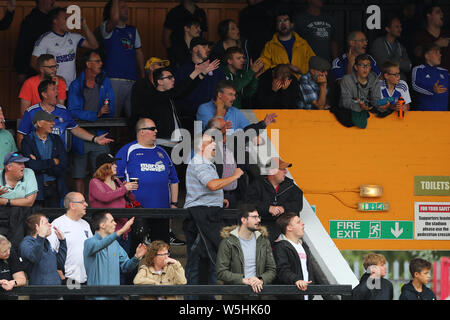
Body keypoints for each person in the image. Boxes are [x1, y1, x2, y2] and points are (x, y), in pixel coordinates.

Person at [183, 132, 244, 293]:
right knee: (197, 263)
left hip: (206, 213)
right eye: (210, 142)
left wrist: (218, 199)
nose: (215, 144)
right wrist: (235, 176)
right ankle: (193, 303)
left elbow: (208, 188)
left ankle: (204, 300)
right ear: (199, 146)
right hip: (200, 217)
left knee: (209, 262)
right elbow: (212, 185)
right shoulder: (200, 163)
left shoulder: (204, 163)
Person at [116, 118, 179, 246]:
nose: (156, 131)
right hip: (136, 210)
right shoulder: (128, 150)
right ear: (141, 131)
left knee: (161, 249)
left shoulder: (162, 152)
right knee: (134, 250)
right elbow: (115, 177)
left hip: (161, 210)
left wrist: (174, 204)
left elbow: (174, 180)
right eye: (152, 128)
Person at [131, 61, 219, 149]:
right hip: (161, 144)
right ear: (160, 81)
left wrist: (202, 74)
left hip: (174, 145)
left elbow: (186, 90)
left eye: (173, 77)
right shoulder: (154, 96)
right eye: (169, 78)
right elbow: (179, 90)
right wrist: (196, 72)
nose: (173, 79)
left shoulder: (170, 97)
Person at [17, 79, 113, 154]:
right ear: (44, 94)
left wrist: (95, 139)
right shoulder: (31, 112)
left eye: (57, 89)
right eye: (53, 89)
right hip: (38, 158)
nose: (57, 92)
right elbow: (21, 134)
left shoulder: (63, 110)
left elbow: (75, 129)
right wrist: (27, 155)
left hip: (60, 158)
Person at [68, 49, 115, 194]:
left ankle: (102, 206)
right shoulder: (76, 85)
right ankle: (80, 204)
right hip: (81, 137)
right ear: (88, 64)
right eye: (97, 61)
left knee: (104, 173)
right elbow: (73, 111)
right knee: (79, 175)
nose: (101, 64)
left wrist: (106, 110)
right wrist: (96, 114)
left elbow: (111, 107)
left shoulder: (105, 81)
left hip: (101, 133)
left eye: (101, 61)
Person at [216, 203, 276, 298]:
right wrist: (243, 280)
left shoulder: (263, 240)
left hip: (260, 293)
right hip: (236, 295)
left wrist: (260, 279)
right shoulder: (228, 242)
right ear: (244, 220)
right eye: (254, 217)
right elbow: (221, 272)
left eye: (258, 217)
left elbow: (272, 269)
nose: (259, 220)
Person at [31, 7, 98, 88]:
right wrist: (51, 77)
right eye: (65, 19)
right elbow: (33, 63)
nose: (69, 21)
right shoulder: (45, 39)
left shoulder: (74, 37)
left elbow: (94, 45)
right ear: (55, 21)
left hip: (72, 88)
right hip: (53, 88)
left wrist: (84, 25)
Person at [100, 0, 145, 118]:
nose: (127, 9)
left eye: (126, 7)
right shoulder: (106, 27)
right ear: (113, 10)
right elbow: (114, 19)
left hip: (132, 78)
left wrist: (142, 74)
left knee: (134, 117)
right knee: (112, 116)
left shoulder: (132, 30)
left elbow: (138, 52)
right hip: (114, 78)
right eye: (122, 7)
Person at [204, 116, 260, 209]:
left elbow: (247, 133)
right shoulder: (209, 146)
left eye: (227, 127)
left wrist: (263, 124)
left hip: (235, 195)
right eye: (224, 127)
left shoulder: (233, 143)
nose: (227, 129)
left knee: (234, 222)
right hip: (216, 196)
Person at [89, 153, 138, 256]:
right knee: (111, 263)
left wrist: (128, 190)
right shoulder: (95, 182)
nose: (116, 166)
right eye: (112, 164)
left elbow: (132, 199)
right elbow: (104, 196)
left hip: (124, 229)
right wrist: (124, 189)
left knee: (126, 263)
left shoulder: (116, 180)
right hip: (107, 232)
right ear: (104, 167)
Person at [245, 157, 303, 243]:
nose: (285, 172)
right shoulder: (257, 184)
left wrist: (284, 208)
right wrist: (268, 208)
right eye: (282, 169)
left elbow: (297, 205)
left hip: (283, 227)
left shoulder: (290, 185)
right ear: (272, 171)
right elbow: (248, 203)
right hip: (262, 224)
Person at [83, 213, 146, 291]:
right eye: (112, 221)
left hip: (114, 296)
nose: (115, 223)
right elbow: (102, 244)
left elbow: (126, 267)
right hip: (96, 297)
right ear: (102, 225)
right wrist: (122, 230)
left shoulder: (115, 244)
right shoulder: (89, 243)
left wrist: (136, 257)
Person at [20, 110, 68, 208]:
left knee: (55, 219)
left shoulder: (56, 139)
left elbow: (63, 164)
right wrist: (53, 162)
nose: (53, 123)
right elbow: (31, 166)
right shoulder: (27, 141)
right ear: (39, 123)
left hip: (55, 188)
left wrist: (40, 164)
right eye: (49, 121)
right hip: (36, 190)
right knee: (36, 220)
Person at [47, 192, 92, 292]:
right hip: (68, 278)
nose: (86, 205)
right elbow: (50, 251)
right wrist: (60, 274)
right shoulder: (58, 223)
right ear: (72, 205)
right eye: (82, 202)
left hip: (86, 277)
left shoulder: (86, 224)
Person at [174, 37, 225, 120]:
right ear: (195, 49)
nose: (208, 49)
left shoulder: (215, 68)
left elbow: (224, 89)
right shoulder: (183, 70)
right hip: (191, 117)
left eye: (208, 47)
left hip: (213, 116)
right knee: (196, 133)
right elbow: (178, 93)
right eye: (204, 47)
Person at [197, 80, 277, 132]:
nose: (234, 98)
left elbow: (247, 131)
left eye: (234, 95)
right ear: (219, 95)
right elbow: (211, 134)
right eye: (230, 94)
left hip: (230, 153)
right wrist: (220, 109)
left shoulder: (235, 111)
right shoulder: (204, 109)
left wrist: (263, 124)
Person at [259, 12, 315, 79]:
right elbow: (263, 68)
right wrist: (281, 68)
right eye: (279, 21)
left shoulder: (303, 44)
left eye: (286, 20)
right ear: (276, 26)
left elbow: (313, 64)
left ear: (292, 25)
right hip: (279, 85)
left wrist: (299, 70)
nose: (283, 24)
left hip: (301, 85)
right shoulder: (269, 46)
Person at [273, 212, 313, 300]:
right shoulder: (280, 246)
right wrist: (296, 280)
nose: (303, 224)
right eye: (298, 222)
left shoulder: (304, 246)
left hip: (306, 296)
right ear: (289, 227)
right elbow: (282, 270)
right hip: (290, 296)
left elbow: (311, 271)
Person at [339, 54, 386, 129]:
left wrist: (382, 104)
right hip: (349, 112)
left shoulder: (374, 79)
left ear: (370, 68)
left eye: (367, 65)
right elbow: (345, 102)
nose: (365, 68)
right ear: (356, 67)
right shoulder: (347, 79)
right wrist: (358, 105)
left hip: (368, 112)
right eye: (362, 65)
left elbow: (375, 100)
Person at [19, 213, 66, 286]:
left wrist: (62, 242)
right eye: (46, 223)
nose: (50, 225)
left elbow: (59, 264)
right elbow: (35, 258)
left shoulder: (46, 242)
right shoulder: (26, 243)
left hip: (56, 292)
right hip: (40, 293)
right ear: (37, 227)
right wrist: (40, 237)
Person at [14, 0, 54, 85]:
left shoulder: (53, 19)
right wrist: (21, 71)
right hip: (33, 69)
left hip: (51, 68)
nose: (53, 1)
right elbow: (22, 46)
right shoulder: (30, 20)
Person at [371, 15, 412, 82]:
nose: (400, 29)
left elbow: (408, 66)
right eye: (397, 27)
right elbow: (384, 65)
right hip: (384, 83)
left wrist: (391, 61)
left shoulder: (400, 46)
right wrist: (400, 61)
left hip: (400, 83)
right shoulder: (379, 43)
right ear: (387, 29)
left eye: (400, 26)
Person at [412, 5, 449, 71]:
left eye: (442, 12)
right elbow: (418, 53)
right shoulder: (421, 35)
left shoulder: (446, 34)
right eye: (438, 12)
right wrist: (437, 44)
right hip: (429, 76)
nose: (442, 14)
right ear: (429, 16)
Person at [411, 44, 448, 111]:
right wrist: (432, 89)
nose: (440, 55)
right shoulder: (419, 69)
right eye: (436, 52)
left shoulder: (445, 72)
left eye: (440, 53)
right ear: (427, 56)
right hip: (425, 112)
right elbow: (415, 85)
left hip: (444, 113)